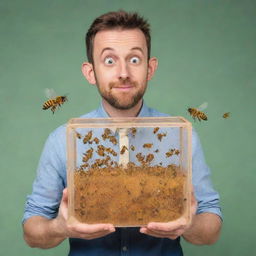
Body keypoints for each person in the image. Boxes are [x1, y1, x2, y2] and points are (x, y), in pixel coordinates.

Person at [22, 10, 222, 256]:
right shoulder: (62, 140)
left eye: (135, 60)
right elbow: (32, 231)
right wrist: (59, 227)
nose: (123, 72)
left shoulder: (180, 136)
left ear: (150, 69)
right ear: (90, 72)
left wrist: (189, 224)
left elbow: (211, 228)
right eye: (109, 60)